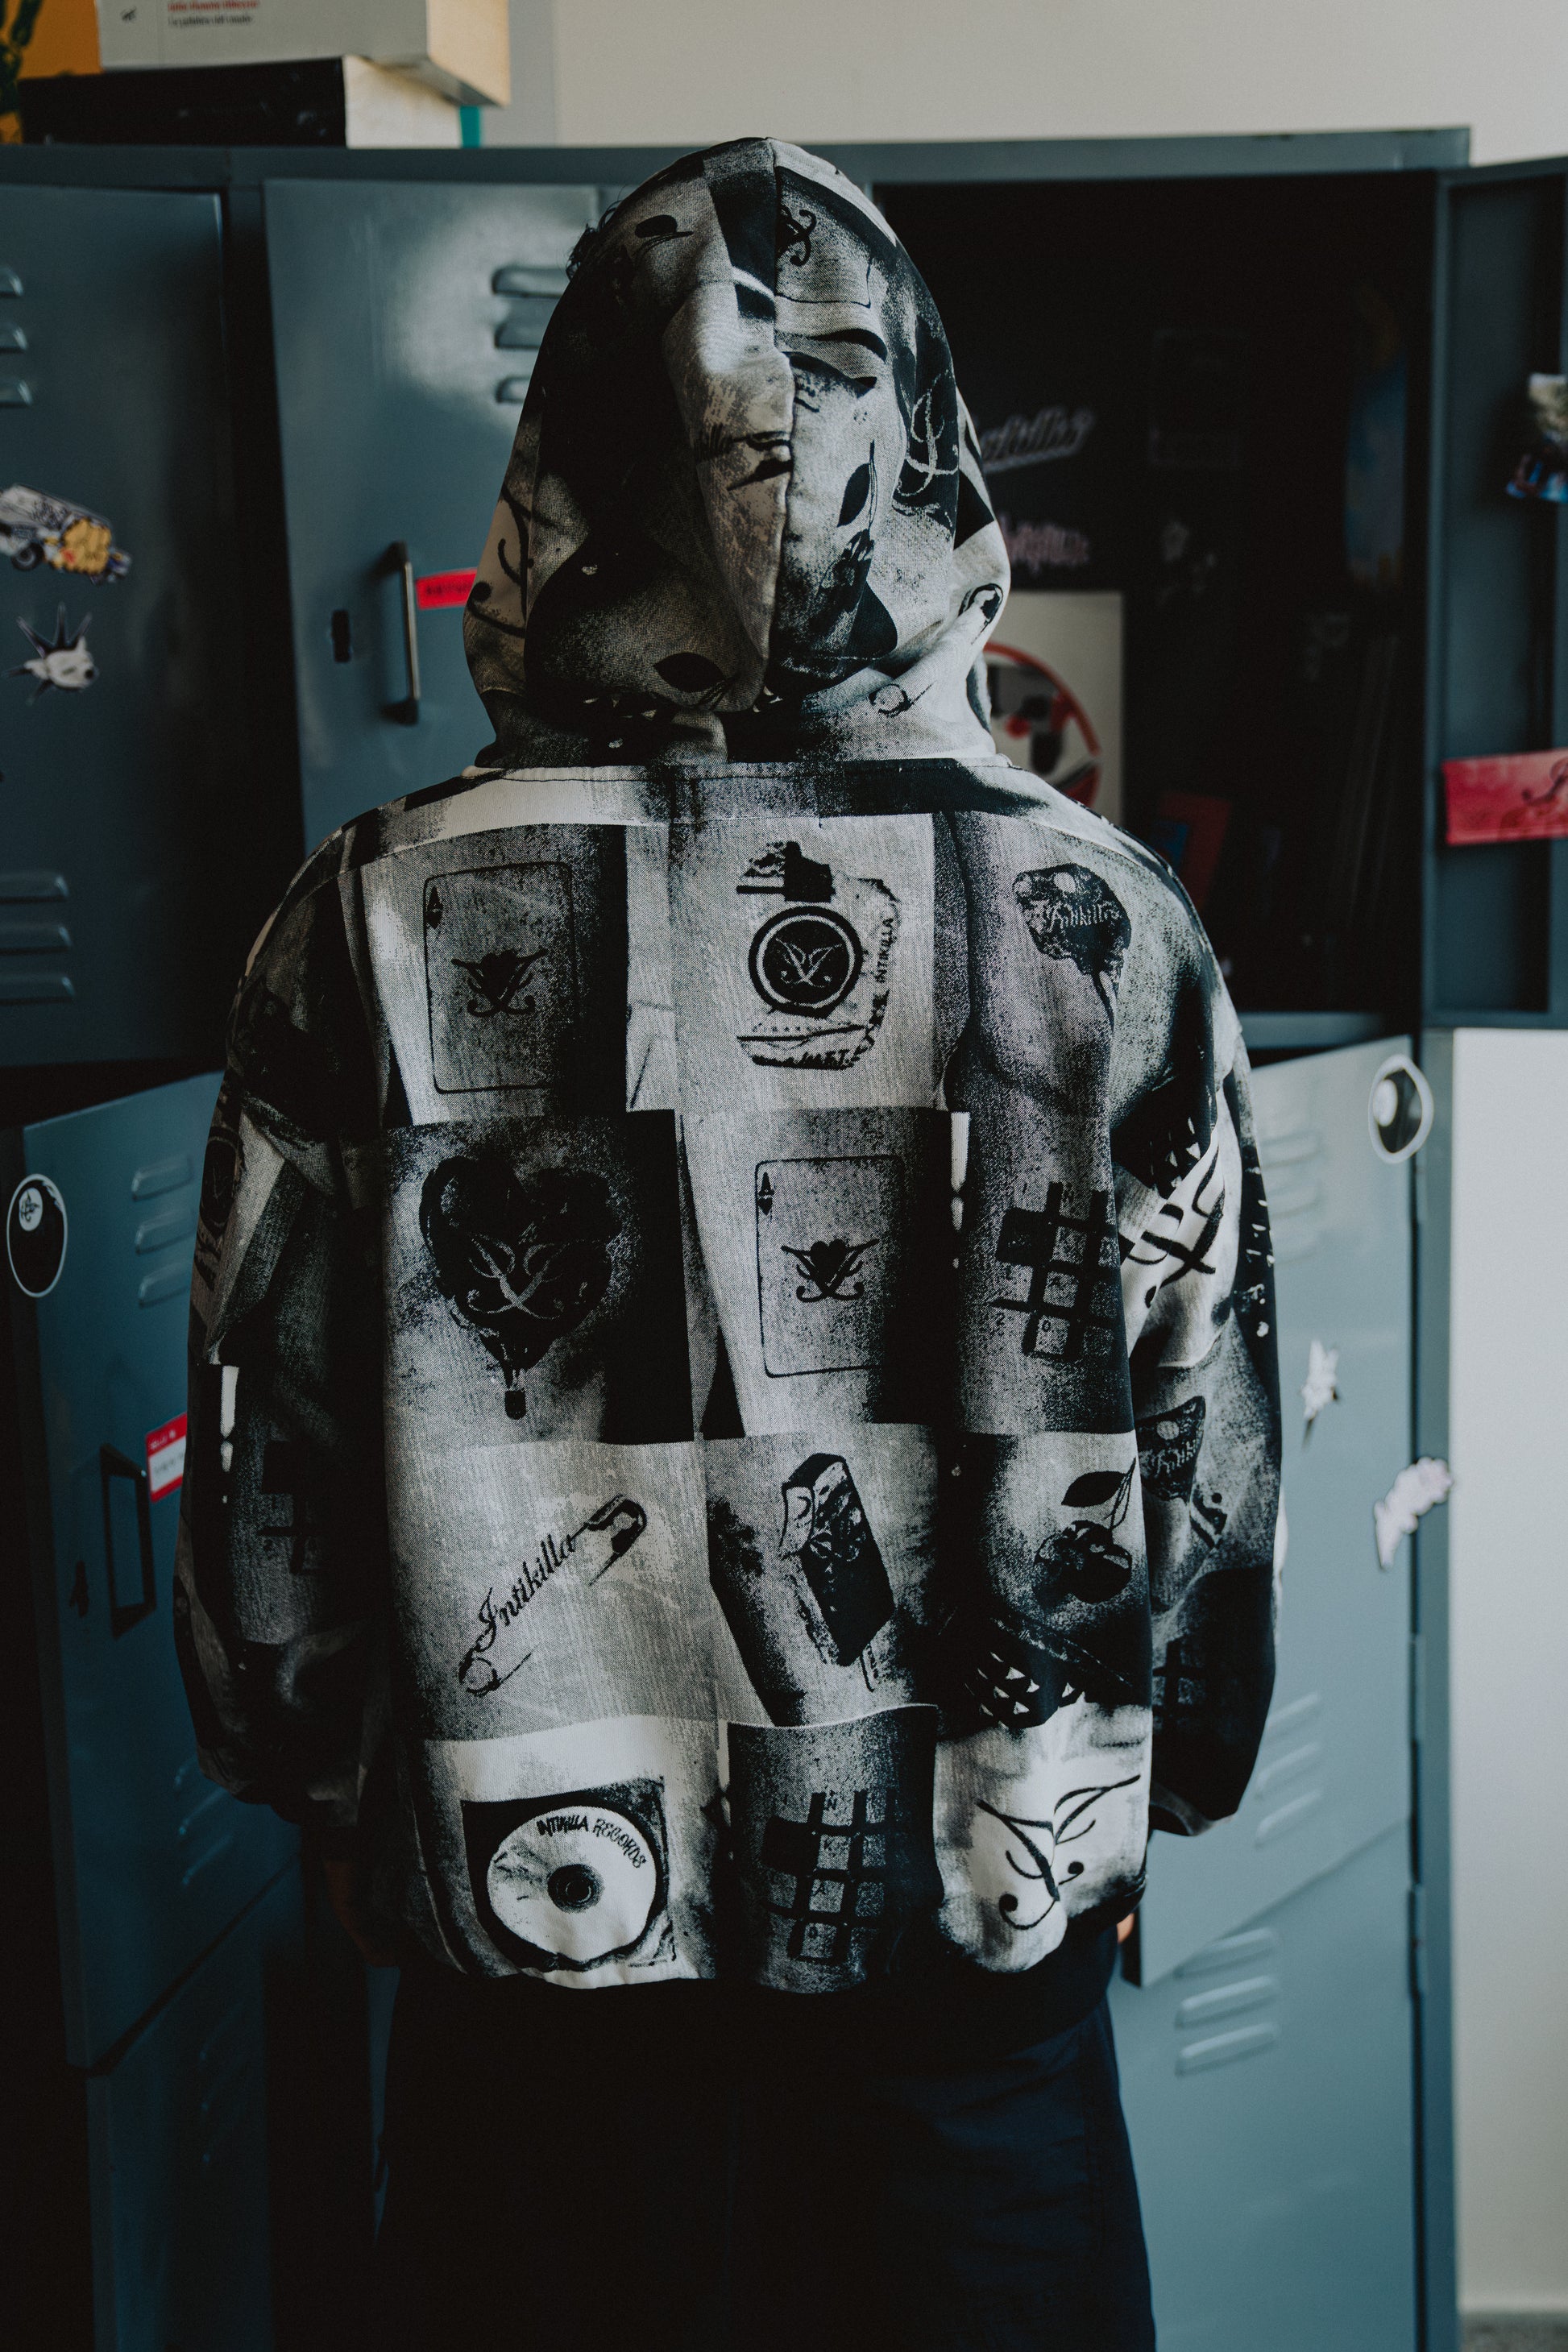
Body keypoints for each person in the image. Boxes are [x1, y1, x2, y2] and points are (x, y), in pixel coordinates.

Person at [175, 138, 1282, 2351]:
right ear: (929, 446)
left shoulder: (365, 913)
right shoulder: (1104, 923)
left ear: (568, 464)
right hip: (968, 1986)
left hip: (538, 1980)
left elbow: (262, 1448)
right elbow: (1208, 1443)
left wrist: (323, 1779)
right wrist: (1160, 1771)